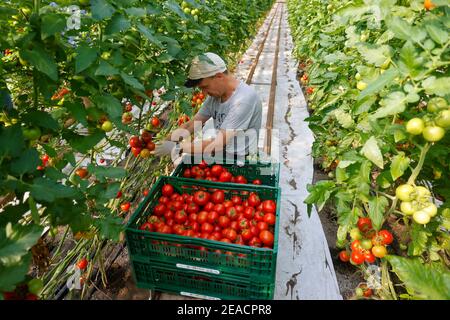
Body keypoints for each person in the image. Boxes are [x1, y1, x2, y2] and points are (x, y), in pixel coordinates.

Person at [153, 52, 263, 163]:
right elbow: (192, 124)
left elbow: (218, 143)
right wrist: (165, 142)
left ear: (219, 76)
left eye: (205, 87)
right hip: (221, 157)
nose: (204, 93)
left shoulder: (243, 100)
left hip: (241, 161)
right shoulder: (215, 97)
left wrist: (178, 148)